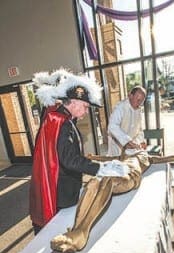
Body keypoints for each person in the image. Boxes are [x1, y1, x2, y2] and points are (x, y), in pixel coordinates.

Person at [29, 68, 129, 235]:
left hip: (62, 185)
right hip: (60, 190)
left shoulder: (60, 118)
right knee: (56, 232)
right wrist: (100, 168)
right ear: (73, 102)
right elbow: (69, 160)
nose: (85, 112)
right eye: (85, 106)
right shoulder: (61, 122)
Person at [107, 86, 147, 156]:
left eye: (142, 101)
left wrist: (141, 141)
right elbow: (112, 126)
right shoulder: (120, 107)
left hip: (132, 148)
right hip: (117, 147)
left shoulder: (138, 110)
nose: (140, 103)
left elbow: (139, 128)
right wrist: (127, 141)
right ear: (130, 96)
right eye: (138, 100)